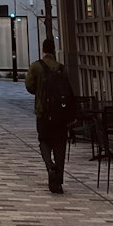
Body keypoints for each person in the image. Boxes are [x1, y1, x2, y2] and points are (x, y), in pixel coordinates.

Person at [25, 37, 76, 193]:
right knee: (60, 145)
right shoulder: (62, 68)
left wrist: (39, 92)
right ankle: (58, 181)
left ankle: (50, 165)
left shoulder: (36, 66)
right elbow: (68, 90)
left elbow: (29, 86)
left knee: (44, 140)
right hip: (60, 114)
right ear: (54, 50)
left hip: (44, 112)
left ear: (43, 50)